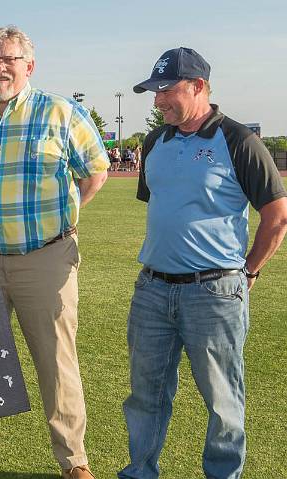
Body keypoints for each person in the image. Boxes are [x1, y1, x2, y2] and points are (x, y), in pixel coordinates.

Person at [0, 26, 109, 479]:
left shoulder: (62, 111)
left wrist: (65, 217)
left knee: (55, 362)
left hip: (44, 257)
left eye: (10, 60)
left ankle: (74, 461)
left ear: (29, 66)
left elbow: (95, 172)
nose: (1, 67)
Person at [119, 47, 287, 479]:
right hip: (152, 289)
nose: (157, 101)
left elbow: (277, 215)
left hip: (214, 292)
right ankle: (140, 471)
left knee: (222, 399)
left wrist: (249, 270)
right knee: (145, 395)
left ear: (197, 87)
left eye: (165, 90)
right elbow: (162, 206)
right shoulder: (155, 142)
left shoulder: (237, 140)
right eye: (154, 92)